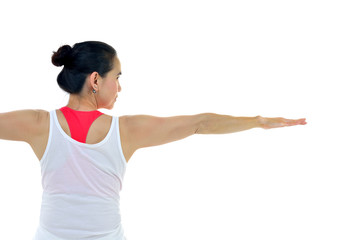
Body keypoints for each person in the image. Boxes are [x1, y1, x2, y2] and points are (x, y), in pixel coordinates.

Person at [0, 41, 307, 240]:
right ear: (96, 80)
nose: (119, 87)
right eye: (117, 77)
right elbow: (200, 123)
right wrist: (257, 122)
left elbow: (200, 122)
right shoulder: (126, 130)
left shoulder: (38, 124)